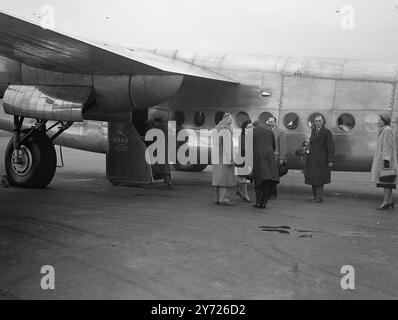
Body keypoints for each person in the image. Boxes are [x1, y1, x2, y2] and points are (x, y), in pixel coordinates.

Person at [305, 115, 335, 203]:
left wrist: (331, 160)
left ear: (323, 122)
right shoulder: (313, 131)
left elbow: (331, 147)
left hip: (321, 160)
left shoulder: (326, 132)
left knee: (319, 179)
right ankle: (315, 196)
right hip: (312, 159)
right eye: (316, 121)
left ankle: (319, 197)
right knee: (313, 178)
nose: (317, 123)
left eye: (319, 121)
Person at [370, 113, 398, 210]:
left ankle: (386, 202)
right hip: (385, 159)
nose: (378, 122)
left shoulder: (387, 130)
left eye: (380, 120)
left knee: (386, 181)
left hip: (386, 160)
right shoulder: (385, 130)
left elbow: (388, 146)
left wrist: (386, 160)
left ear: (384, 121)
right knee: (388, 181)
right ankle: (388, 201)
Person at [252, 120, 279, 208]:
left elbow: (250, 146)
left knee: (258, 181)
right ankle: (264, 203)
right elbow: (273, 146)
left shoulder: (253, 132)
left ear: (254, 126)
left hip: (258, 158)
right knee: (267, 180)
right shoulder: (270, 132)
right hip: (269, 158)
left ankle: (258, 202)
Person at [212, 113, 236, 206]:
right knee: (224, 179)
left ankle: (217, 198)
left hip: (217, 157)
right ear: (226, 119)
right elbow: (227, 146)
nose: (231, 122)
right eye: (230, 120)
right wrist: (231, 159)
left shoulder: (216, 128)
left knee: (218, 179)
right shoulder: (225, 129)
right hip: (224, 158)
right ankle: (224, 199)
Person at [266, 116, 287, 200]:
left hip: (275, 157)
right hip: (267, 157)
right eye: (269, 122)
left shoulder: (280, 132)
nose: (270, 124)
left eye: (272, 122)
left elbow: (283, 146)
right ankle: (267, 192)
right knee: (267, 175)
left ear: (275, 122)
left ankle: (273, 193)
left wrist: (282, 158)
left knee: (274, 176)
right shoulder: (266, 130)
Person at [236, 120, 252, 202]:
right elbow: (243, 149)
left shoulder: (249, 136)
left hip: (245, 158)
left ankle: (240, 191)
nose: (251, 128)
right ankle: (245, 195)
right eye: (249, 127)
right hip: (243, 158)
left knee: (243, 177)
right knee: (244, 177)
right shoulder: (243, 136)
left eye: (251, 127)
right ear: (244, 128)